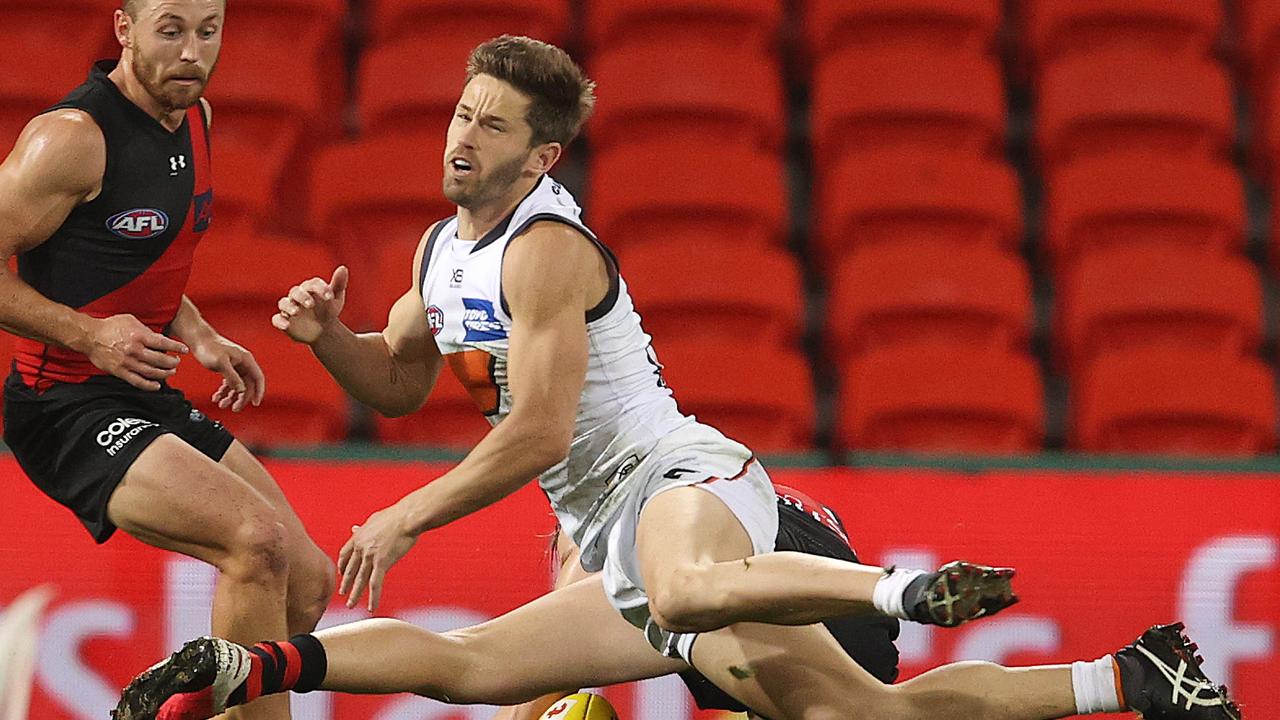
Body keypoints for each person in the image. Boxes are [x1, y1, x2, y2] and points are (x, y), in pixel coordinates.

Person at [116, 35, 1239, 720]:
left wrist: (408, 512)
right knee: (479, 672)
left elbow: (545, 431)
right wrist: (328, 342)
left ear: (539, 157)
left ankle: (897, 588)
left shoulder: (546, 250)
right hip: (609, 536)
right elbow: (402, 380)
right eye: (462, 111)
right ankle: (1131, 680)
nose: (461, 135)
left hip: (679, 479)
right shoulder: (434, 249)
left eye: (490, 124)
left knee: (692, 592)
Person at [0, 3, 334, 719]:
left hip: (137, 390)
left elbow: (138, 254)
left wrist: (203, 333)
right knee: (255, 541)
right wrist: (87, 335)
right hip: (62, 404)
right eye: (171, 30)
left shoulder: (196, 118)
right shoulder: (71, 139)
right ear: (124, 29)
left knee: (306, 582)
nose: (191, 51)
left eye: (207, 31)